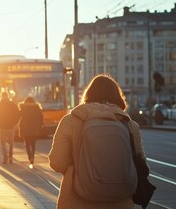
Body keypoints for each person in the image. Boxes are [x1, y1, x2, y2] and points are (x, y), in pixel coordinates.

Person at [48, 74, 151, 208]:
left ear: (88, 95)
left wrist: (80, 170)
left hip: (77, 201)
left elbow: (57, 162)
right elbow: (142, 166)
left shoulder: (70, 121)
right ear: (117, 96)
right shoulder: (130, 126)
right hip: (120, 202)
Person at [18, 96, 43, 169]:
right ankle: (33, 157)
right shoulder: (37, 108)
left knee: (27, 144)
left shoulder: (23, 107)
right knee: (33, 144)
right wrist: (40, 125)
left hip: (25, 128)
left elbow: (18, 116)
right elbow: (41, 117)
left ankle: (30, 158)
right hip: (34, 128)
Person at [0, 91, 19, 164]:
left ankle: (5, 156)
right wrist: (14, 123)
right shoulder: (12, 104)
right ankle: (10, 156)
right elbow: (17, 114)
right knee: (11, 142)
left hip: (2, 127)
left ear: (1, 96)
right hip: (10, 127)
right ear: (8, 96)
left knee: (3, 143)